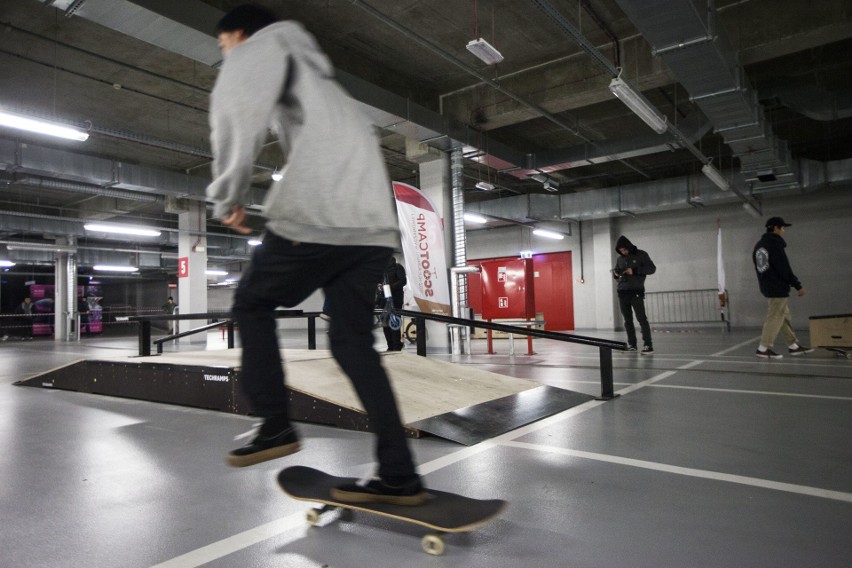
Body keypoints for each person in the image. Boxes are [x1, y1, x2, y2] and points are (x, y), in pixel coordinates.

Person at [206, 5, 425, 505]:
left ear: (237, 34)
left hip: (321, 214)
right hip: (371, 228)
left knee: (251, 304)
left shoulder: (259, 47)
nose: (225, 54)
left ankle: (275, 424)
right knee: (352, 343)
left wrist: (228, 196)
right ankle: (399, 476)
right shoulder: (327, 85)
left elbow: (235, 113)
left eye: (222, 46)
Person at [752, 217, 813, 359]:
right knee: (774, 317)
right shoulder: (774, 244)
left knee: (783, 316)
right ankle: (763, 348)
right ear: (775, 228)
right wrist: (797, 285)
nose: (784, 231)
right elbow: (784, 267)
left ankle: (793, 346)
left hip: (767, 285)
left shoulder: (759, 245)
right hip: (777, 286)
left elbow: (760, 268)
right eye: (782, 228)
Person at [613, 235, 656, 354]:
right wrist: (616, 274)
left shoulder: (641, 255)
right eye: (621, 251)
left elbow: (652, 269)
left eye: (624, 250)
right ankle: (632, 345)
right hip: (622, 292)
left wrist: (635, 271)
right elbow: (617, 273)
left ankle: (648, 345)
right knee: (627, 321)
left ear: (629, 247)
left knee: (642, 319)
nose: (623, 252)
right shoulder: (620, 259)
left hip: (636, 292)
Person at [381, 256, 406, 351]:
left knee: (394, 323)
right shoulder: (382, 270)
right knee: (385, 324)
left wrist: (389, 287)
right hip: (383, 301)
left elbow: (403, 281)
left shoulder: (398, 267)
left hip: (395, 300)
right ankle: (390, 346)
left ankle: (396, 346)